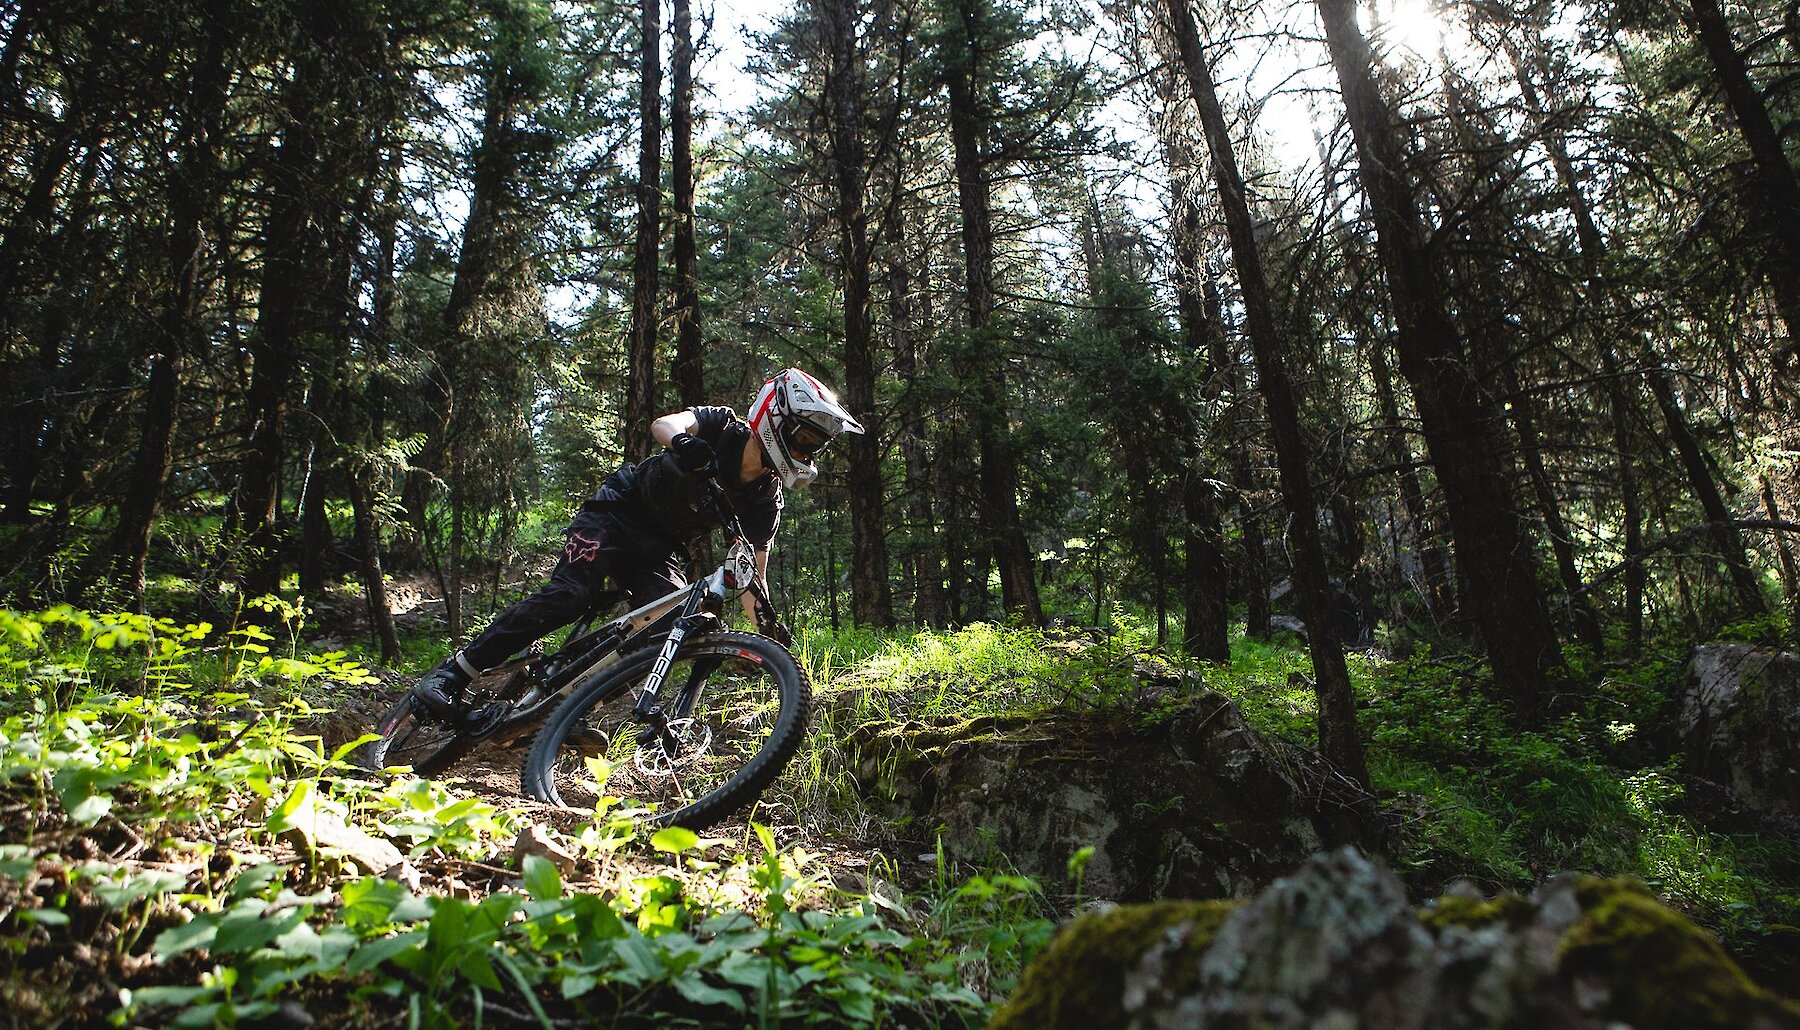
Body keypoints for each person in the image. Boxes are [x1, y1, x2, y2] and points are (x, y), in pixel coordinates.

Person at [410, 367, 864, 722]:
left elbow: (752, 575)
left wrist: (767, 638)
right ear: (775, 419)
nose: (808, 451)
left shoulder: (766, 498)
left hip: (659, 550)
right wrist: (685, 443)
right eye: (805, 437)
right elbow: (663, 424)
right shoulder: (723, 426)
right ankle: (455, 673)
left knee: (668, 627)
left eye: (817, 444)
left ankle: (565, 710)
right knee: (569, 595)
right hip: (613, 515)